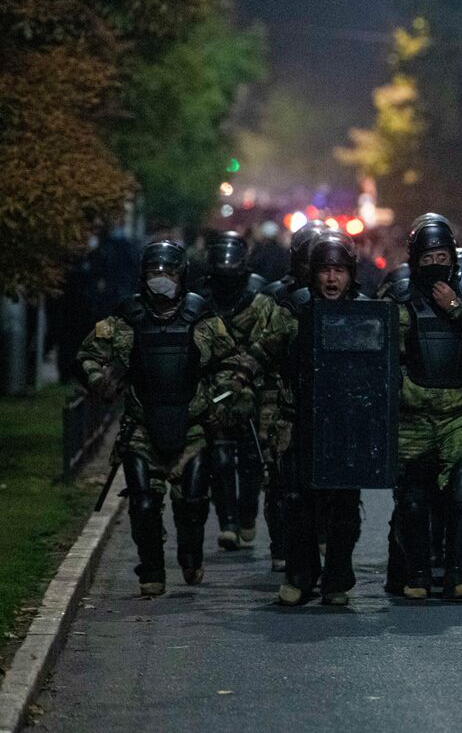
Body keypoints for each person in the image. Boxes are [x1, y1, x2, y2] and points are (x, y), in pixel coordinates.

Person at [78, 240, 249, 596]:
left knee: (193, 502)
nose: (161, 279)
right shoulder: (127, 319)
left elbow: (231, 363)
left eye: (168, 272)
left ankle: (190, 555)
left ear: (181, 275)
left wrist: (222, 397)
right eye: (154, 272)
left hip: (192, 428)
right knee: (143, 503)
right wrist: (100, 382)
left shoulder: (201, 318)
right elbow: (87, 356)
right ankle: (151, 571)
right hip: (142, 427)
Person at [385, 216, 462, 600]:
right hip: (414, 415)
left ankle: (458, 573)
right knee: (413, 498)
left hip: (460, 413)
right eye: (428, 258)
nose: (436, 264)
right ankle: (418, 574)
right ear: (415, 261)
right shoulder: (400, 302)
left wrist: (455, 309)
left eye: (442, 257)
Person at [260, 234, 370, 606]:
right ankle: (300, 574)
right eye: (325, 270)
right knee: (297, 501)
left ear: (350, 274)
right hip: (301, 420)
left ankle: (337, 577)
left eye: (339, 270)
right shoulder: (294, 310)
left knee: (344, 504)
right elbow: (261, 353)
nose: (332, 279)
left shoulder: (366, 314)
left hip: (346, 423)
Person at [195, 231, 280, 553]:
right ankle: (227, 522)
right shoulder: (202, 298)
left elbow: (269, 341)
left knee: (251, 456)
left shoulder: (260, 297)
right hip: (215, 389)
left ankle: (246, 514)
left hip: (253, 387)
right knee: (219, 456)